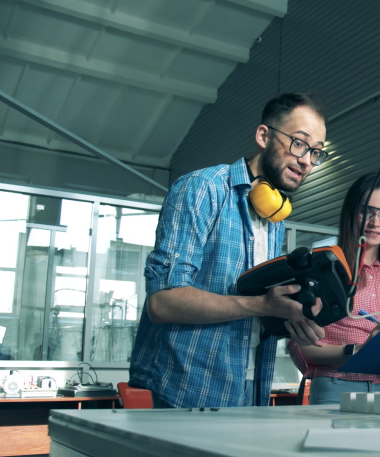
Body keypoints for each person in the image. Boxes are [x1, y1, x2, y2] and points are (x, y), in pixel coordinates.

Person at [129, 92, 329, 408]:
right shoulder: (203, 189)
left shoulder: (273, 219)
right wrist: (263, 305)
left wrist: (293, 319)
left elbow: (257, 309)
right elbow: (162, 302)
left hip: (251, 391)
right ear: (264, 136)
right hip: (184, 395)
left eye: (316, 152)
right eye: (299, 143)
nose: (306, 160)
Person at [287, 173, 380, 404]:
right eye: (367, 211)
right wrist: (358, 349)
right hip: (337, 387)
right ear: (351, 213)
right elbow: (300, 346)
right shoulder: (324, 268)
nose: (376, 222)